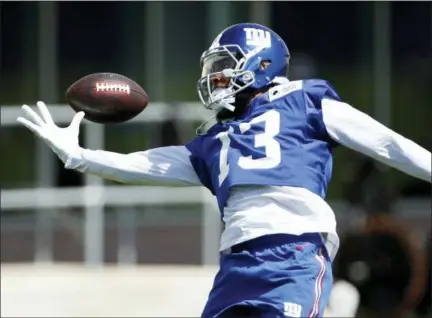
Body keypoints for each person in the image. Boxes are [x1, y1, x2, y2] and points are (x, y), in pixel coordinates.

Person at [17, 23, 431, 318]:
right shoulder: (217, 139)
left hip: (295, 252)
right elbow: (149, 165)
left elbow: (386, 143)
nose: (214, 76)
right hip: (237, 263)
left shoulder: (306, 101)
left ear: (259, 63)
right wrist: (80, 156)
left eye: (224, 64)